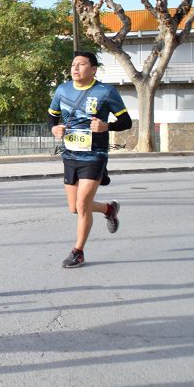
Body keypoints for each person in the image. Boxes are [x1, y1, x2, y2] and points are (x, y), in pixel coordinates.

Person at [48, 51, 131, 268]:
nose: (75, 68)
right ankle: (108, 209)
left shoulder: (106, 91)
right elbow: (52, 115)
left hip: (95, 155)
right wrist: (54, 128)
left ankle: (78, 252)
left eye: (81, 64)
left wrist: (107, 126)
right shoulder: (62, 89)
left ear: (93, 69)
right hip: (70, 154)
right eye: (73, 64)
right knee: (74, 208)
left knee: (83, 204)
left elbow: (126, 121)